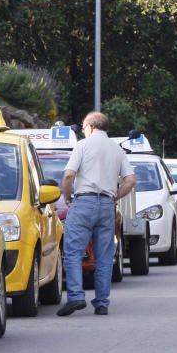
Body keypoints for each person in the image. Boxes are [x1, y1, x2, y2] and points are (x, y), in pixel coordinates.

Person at [58, 111, 137, 316]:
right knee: (104, 256)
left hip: (84, 202)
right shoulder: (117, 150)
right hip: (107, 206)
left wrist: (67, 197)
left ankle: (75, 297)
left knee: (73, 252)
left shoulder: (83, 146)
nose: (84, 131)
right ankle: (102, 303)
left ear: (91, 127)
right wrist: (115, 197)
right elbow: (130, 180)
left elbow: (68, 175)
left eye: (84, 127)